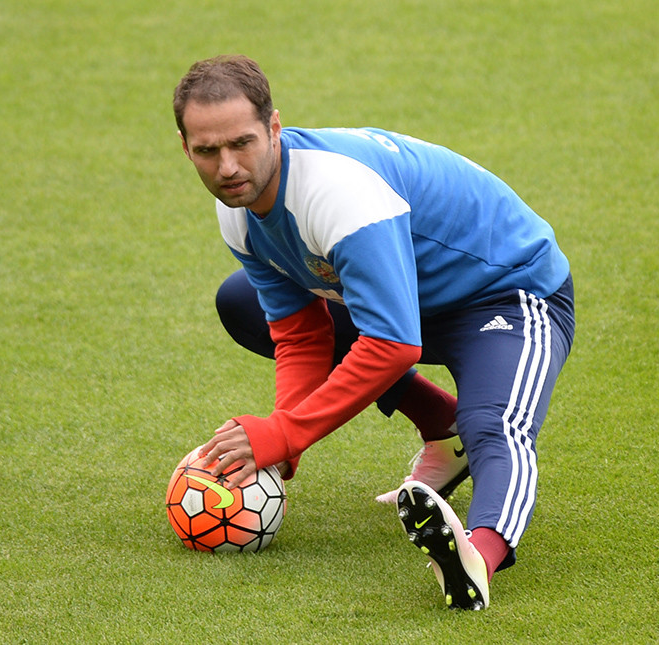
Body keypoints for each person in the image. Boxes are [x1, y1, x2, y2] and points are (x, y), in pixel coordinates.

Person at [174, 55, 575, 610]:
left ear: (274, 128)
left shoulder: (337, 191)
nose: (227, 167)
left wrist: (284, 434)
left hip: (507, 293)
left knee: (495, 425)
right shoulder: (237, 209)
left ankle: (476, 557)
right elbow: (300, 334)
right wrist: (283, 443)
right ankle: (440, 423)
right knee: (243, 300)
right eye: (207, 151)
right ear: (185, 146)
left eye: (241, 143)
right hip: (408, 303)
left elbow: (392, 344)